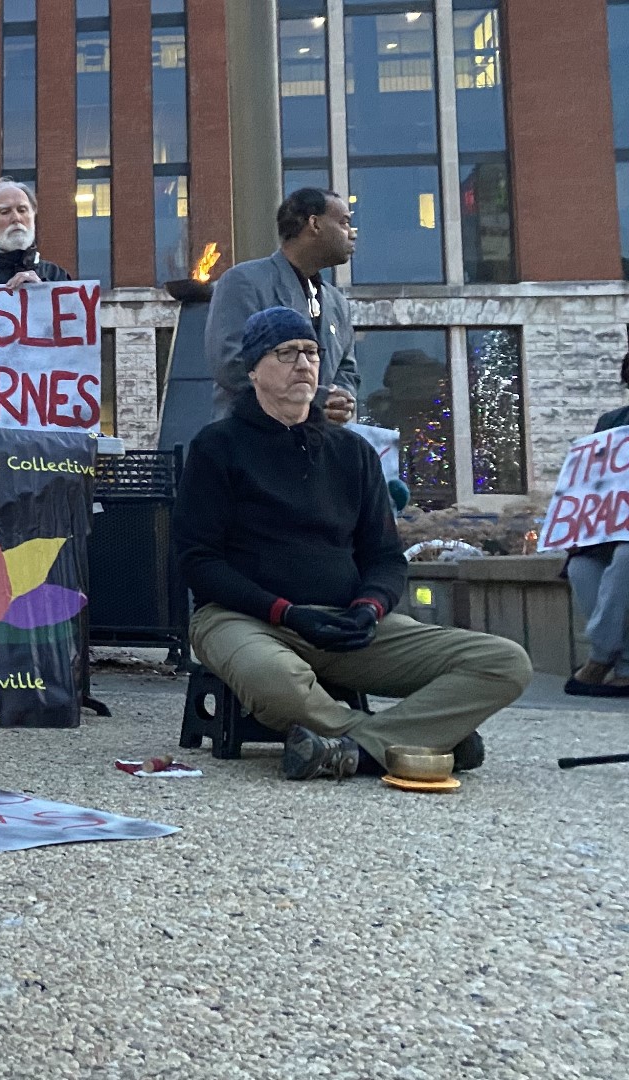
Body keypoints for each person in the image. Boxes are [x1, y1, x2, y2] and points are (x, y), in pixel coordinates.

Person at [174, 307, 531, 781]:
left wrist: (369, 608)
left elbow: (384, 557)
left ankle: (354, 751)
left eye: (311, 353)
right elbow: (199, 561)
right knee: (275, 680)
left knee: (504, 662)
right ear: (254, 368)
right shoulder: (217, 446)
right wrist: (286, 612)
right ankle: (404, 741)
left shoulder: (352, 452)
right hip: (243, 620)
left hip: (345, 622)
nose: (304, 364)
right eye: (287, 353)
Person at [204, 188, 361, 422]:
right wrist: (313, 399)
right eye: (344, 223)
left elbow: (347, 371)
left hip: (317, 446)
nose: (352, 234)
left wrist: (340, 400)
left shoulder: (337, 303)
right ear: (314, 224)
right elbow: (232, 364)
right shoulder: (244, 282)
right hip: (250, 444)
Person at [565, 351, 629, 696]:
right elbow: (590, 481)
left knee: (626, 559)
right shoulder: (610, 422)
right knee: (580, 565)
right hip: (611, 527)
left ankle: (605, 658)